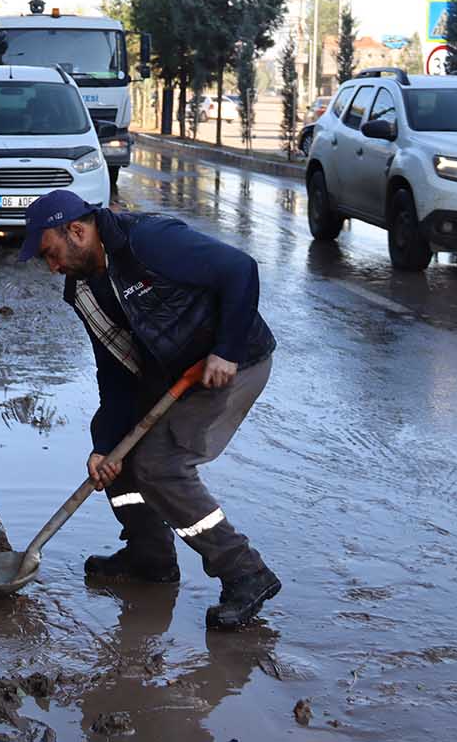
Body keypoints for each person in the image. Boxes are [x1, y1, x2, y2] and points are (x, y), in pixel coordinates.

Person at [17, 189, 280, 629]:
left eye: (51, 253)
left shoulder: (150, 241)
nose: (52, 266)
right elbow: (116, 372)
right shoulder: (82, 292)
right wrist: (105, 447)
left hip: (230, 364)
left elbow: (240, 269)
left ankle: (245, 572)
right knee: (120, 455)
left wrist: (227, 350)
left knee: (161, 466)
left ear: (77, 231)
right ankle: (150, 557)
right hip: (168, 371)